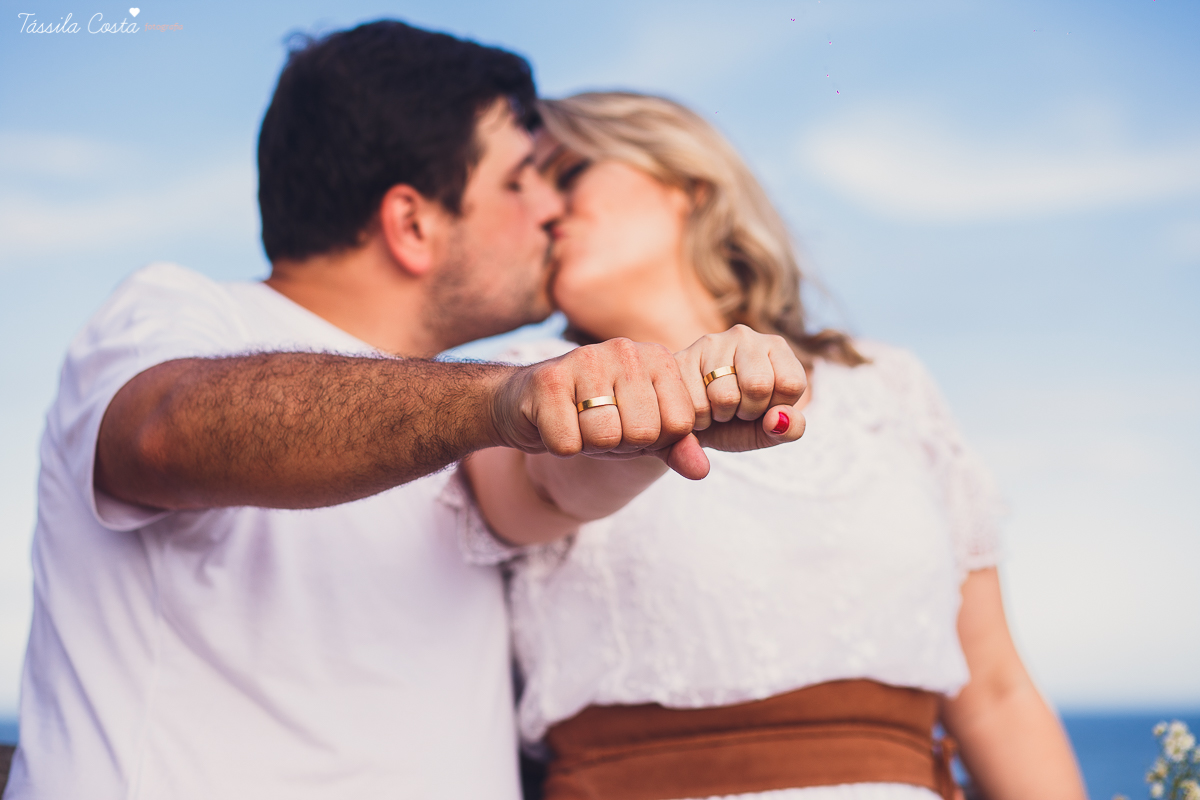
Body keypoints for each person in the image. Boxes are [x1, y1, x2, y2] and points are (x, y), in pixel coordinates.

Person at [1, 27, 810, 800]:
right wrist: (502, 401)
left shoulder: (469, 406)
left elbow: (548, 485)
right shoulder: (179, 312)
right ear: (412, 224)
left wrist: (656, 415)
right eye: (521, 180)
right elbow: (165, 432)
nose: (551, 210)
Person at [465, 92, 1088, 800]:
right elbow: (536, 495)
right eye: (524, 185)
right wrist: (664, 406)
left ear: (688, 186)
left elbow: (997, 693)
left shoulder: (888, 386)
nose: (545, 208)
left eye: (569, 172)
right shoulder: (516, 384)